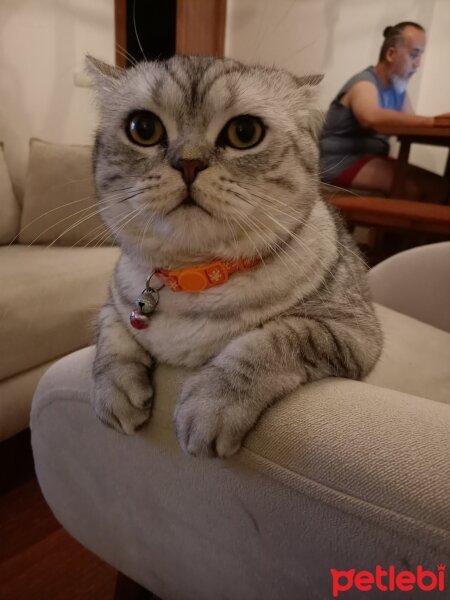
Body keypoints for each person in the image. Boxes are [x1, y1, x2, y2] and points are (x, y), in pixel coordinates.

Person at [320, 21, 449, 203]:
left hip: (369, 159)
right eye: (414, 55)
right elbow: (370, 117)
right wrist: (433, 121)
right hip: (341, 162)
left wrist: (439, 122)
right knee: (418, 190)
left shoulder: (398, 90)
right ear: (390, 54)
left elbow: (412, 124)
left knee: (441, 187)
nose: (418, 63)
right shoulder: (364, 83)